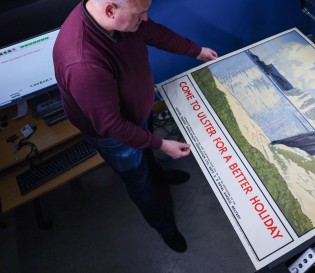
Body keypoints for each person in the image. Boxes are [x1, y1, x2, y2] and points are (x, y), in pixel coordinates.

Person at [52, 0, 217, 253]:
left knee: (147, 157)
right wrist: (161, 143)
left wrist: (195, 51)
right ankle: (164, 227)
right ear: (110, 10)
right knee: (139, 181)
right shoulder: (82, 63)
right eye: (140, 14)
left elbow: (154, 32)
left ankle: (160, 174)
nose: (146, 19)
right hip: (115, 134)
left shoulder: (112, 17)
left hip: (137, 112)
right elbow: (112, 125)